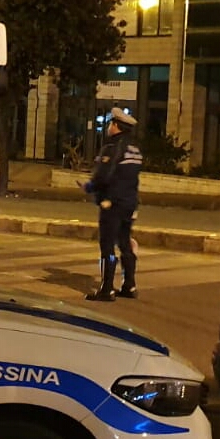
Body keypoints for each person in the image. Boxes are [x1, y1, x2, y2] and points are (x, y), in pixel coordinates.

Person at [82, 107, 144, 301]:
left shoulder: (112, 148)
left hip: (112, 203)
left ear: (116, 126)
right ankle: (129, 286)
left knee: (107, 245)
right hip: (129, 202)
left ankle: (107, 288)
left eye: (110, 123)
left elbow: (104, 175)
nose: (109, 127)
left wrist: (90, 187)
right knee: (125, 243)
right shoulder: (135, 149)